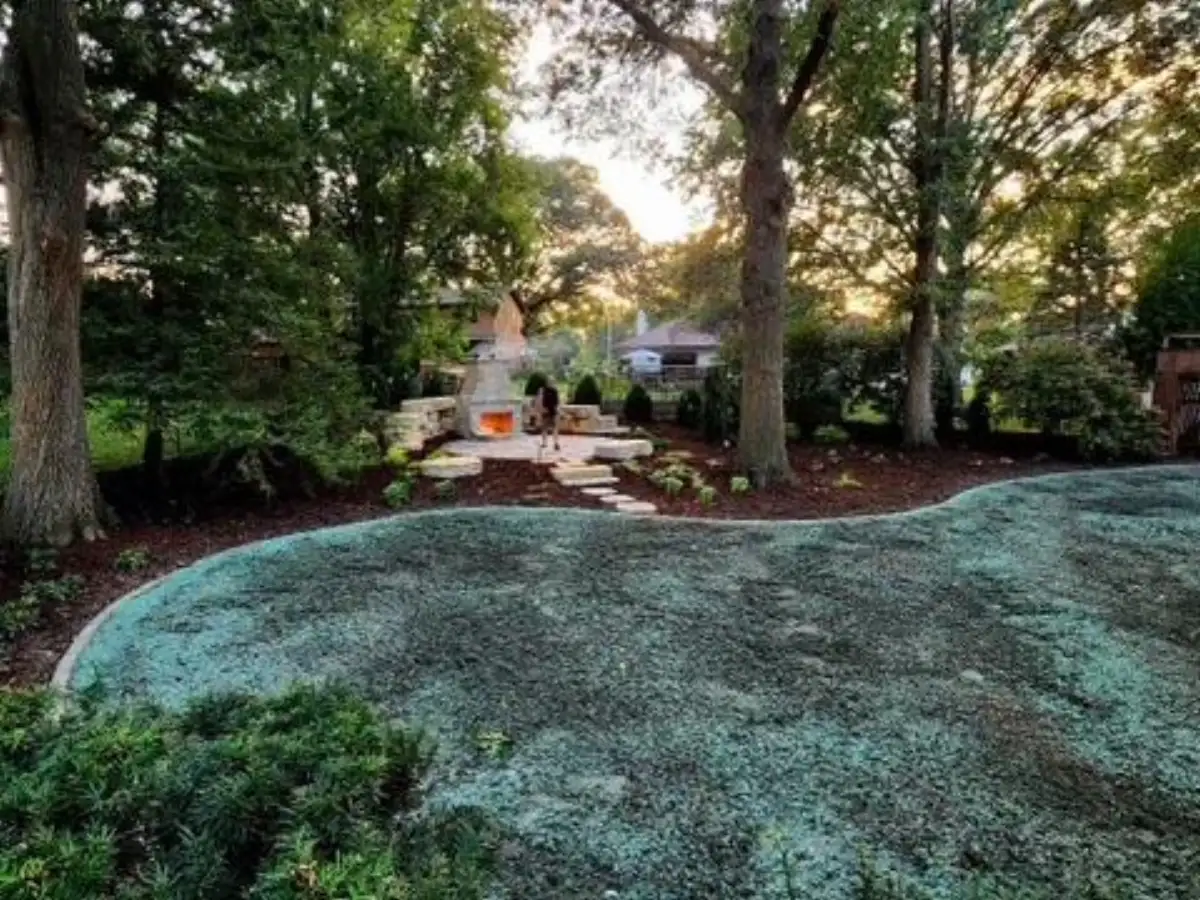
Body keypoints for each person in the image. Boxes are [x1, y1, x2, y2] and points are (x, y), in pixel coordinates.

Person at [537, 380, 561, 451]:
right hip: (546, 411)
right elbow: (540, 400)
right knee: (545, 428)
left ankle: (555, 443)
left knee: (554, 428)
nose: (551, 383)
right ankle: (545, 443)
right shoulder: (543, 391)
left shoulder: (554, 391)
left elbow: (557, 402)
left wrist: (557, 410)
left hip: (553, 412)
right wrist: (541, 410)